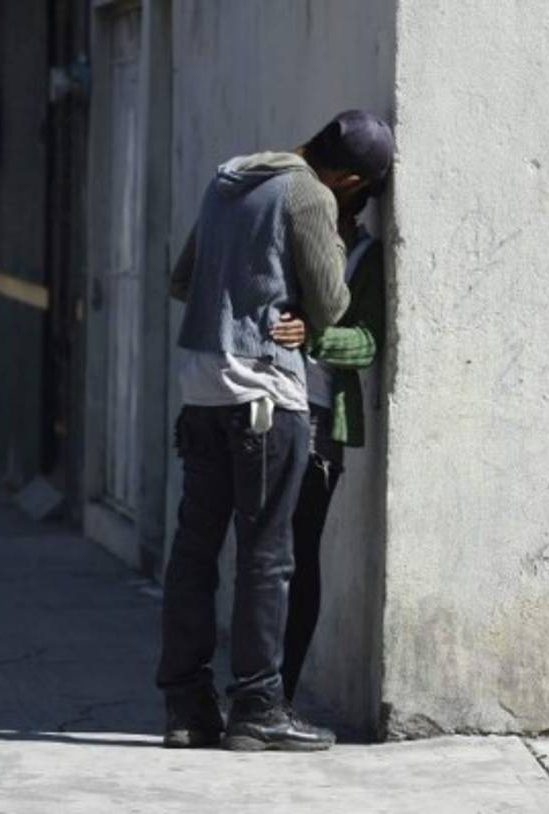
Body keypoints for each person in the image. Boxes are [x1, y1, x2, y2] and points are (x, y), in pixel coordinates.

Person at [158, 110, 394, 752]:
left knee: (194, 550)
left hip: (201, 388)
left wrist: (238, 287)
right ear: (346, 177)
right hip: (266, 394)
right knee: (268, 557)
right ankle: (259, 706)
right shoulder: (309, 193)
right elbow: (331, 305)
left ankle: (185, 708)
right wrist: (291, 303)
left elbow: (182, 280)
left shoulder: (227, 180)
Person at [269, 184, 386, 702]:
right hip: (269, 407)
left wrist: (313, 336)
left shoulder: (364, 257)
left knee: (299, 550)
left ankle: (281, 689)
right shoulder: (288, 246)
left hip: (319, 420)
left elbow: (367, 342)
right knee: (264, 555)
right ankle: (257, 687)